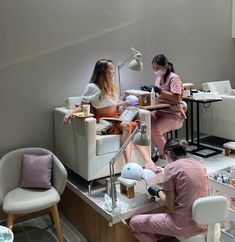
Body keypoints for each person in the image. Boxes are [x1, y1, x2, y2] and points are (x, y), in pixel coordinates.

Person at [63, 58, 161, 173]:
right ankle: (129, 164)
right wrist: (70, 112)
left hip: (115, 117)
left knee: (135, 126)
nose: (114, 71)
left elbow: (112, 104)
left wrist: (124, 103)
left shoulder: (111, 85)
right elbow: (82, 105)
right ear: (103, 71)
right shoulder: (92, 87)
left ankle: (148, 161)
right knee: (127, 126)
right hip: (104, 121)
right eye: (111, 69)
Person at [129, 138, 208, 242]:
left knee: (134, 223)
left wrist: (158, 191)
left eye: (164, 156)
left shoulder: (171, 168)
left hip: (182, 226)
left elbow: (169, 204)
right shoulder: (200, 166)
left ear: (169, 153)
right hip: (203, 223)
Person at [150, 54, 186, 160]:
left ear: (165, 66)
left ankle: (166, 156)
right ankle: (157, 150)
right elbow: (158, 96)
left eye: (158, 68)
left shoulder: (173, 78)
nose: (155, 70)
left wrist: (160, 91)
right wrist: (150, 90)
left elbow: (176, 98)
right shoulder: (158, 78)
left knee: (155, 130)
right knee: (145, 123)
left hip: (173, 114)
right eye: (153, 68)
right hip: (160, 111)